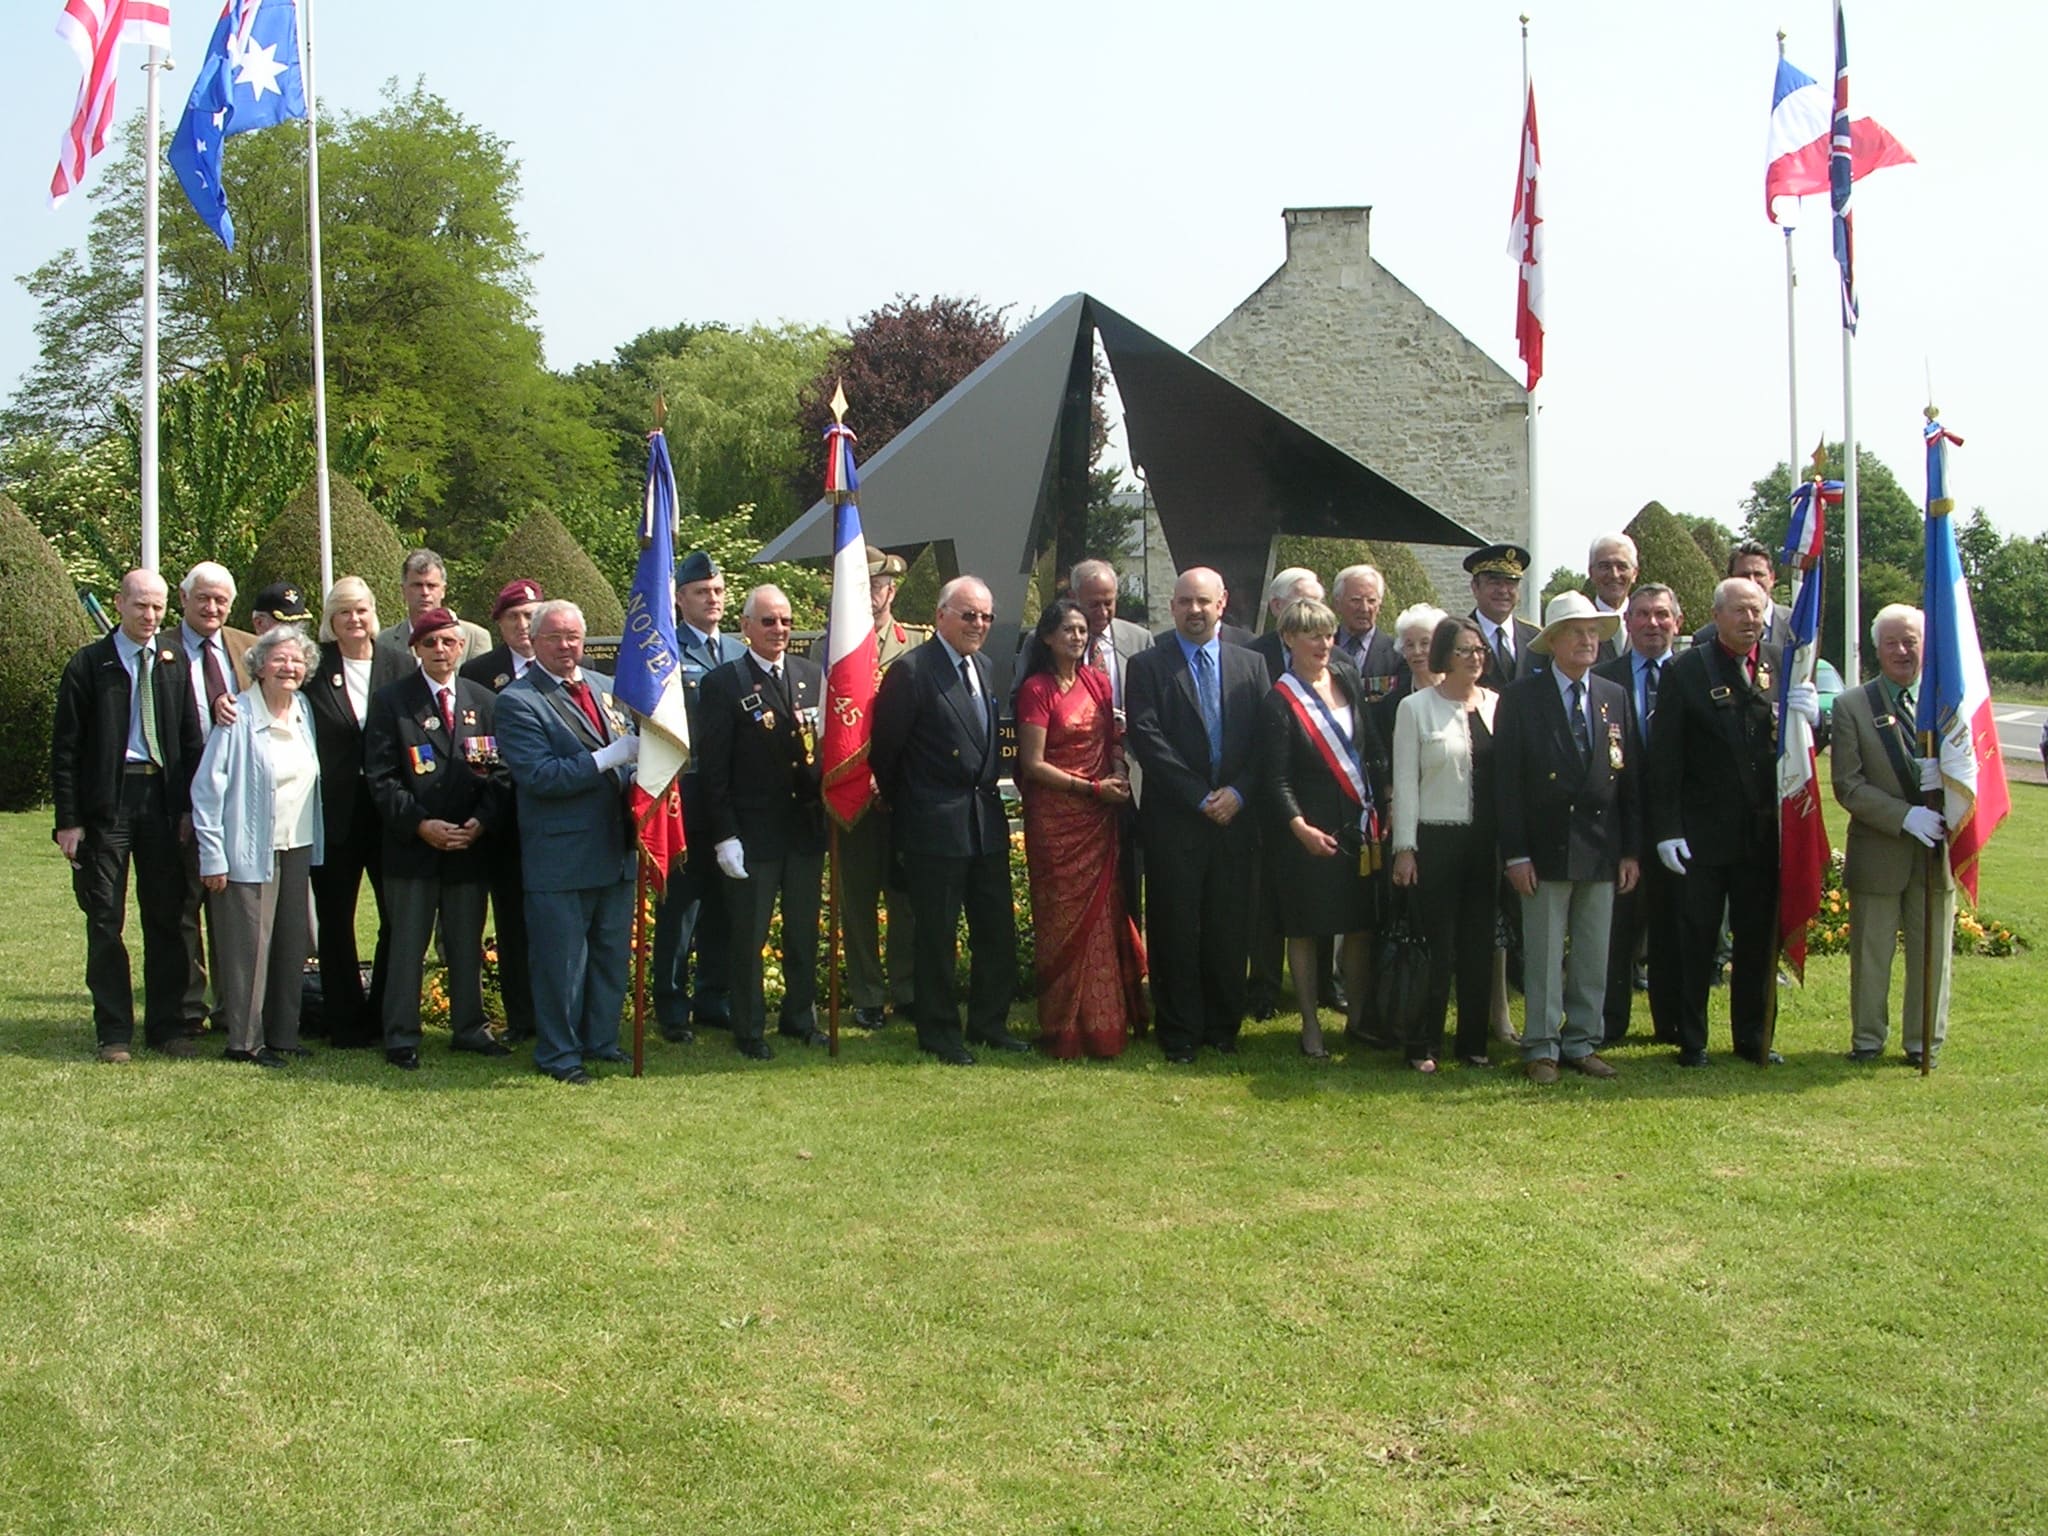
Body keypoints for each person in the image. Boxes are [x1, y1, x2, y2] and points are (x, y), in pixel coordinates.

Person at [1651, 577, 1819, 1067]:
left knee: (1757, 943)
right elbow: (1666, 760)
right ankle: (1693, 1040)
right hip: (1702, 835)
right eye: (1741, 611)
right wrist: (1667, 830)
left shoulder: (1777, 665)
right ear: (1716, 615)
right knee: (1697, 940)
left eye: (1758, 611)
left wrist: (1814, 722)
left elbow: (1794, 753)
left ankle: (1754, 1037)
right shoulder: (1687, 670)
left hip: (1762, 834)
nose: (1751, 620)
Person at [51, 569, 208, 1062]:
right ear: (119, 604)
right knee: (104, 917)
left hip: (160, 803)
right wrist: (69, 821)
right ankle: (114, 1031)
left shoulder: (173, 660)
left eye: (159, 607)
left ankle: (167, 1027)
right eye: (141, 605)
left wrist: (185, 807)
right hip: (107, 806)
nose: (150, 616)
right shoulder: (88, 666)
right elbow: (67, 750)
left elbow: (188, 740)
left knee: (167, 915)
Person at [870, 575, 1023, 1065]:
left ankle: (988, 1023)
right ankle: (939, 1032)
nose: (978, 624)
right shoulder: (913, 672)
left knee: (995, 929)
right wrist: (909, 807)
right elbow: (887, 754)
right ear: (941, 616)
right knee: (937, 936)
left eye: (985, 616)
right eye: (968, 614)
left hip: (984, 823)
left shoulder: (986, 665)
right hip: (933, 825)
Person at [1124, 567, 1269, 1062]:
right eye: (1185, 602)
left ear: (1222, 603)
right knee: (1175, 928)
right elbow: (1148, 740)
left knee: (1229, 927)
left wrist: (1239, 794)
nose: (1195, 611)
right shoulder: (1147, 666)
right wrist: (1199, 797)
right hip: (1176, 821)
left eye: (1204, 602)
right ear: (1172, 607)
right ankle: (1179, 1031)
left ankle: (1223, 1027)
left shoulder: (1252, 666)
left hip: (1236, 819)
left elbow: (1262, 745)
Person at [1494, 593, 1639, 1083]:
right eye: (1576, 631)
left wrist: (1630, 850)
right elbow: (1506, 784)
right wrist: (1515, 853)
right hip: (1544, 846)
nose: (1587, 640)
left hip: (1601, 846)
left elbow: (1628, 780)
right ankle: (1541, 1046)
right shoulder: (1521, 698)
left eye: (1594, 632)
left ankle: (1582, 1040)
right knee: (1544, 951)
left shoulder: (1612, 695)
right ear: (1552, 640)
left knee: (1594, 953)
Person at [496, 600, 639, 1085]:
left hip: (615, 847)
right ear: (533, 642)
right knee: (561, 963)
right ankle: (558, 1053)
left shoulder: (602, 689)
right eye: (554, 637)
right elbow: (539, 777)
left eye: (574, 636)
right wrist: (606, 759)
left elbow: (631, 751)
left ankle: (601, 1041)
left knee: (609, 955)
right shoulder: (518, 701)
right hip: (560, 856)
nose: (566, 646)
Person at [365, 607, 514, 1070]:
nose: (440, 650)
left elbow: (500, 773)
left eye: (449, 642)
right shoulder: (392, 701)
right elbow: (382, 778)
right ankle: (401, 1034)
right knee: (408, 944)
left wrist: (481, 823)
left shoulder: (482, 701)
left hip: (469, 846)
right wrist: (421, 825)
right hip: (414, 848)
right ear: (415, 648)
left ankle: (469, 1027)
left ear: (463, 646)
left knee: (465, 943)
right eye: (430, 643)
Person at [697, 584, 828, 1061]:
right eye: (769, 621)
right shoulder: (725, 683)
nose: (779, 630)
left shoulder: (811, 675)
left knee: (801, 932)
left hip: (804, 829)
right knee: (749, 936)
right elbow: (714, 769)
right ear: (746, 627)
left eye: (786, 622)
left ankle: (800, 1018)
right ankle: (749, 1027)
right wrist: (725, 834)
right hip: (753, 833)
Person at [1257, 596, 1389, 1059]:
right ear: (1289, 639)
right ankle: (1310, 1023)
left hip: (1356, 822)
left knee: (1357, 925)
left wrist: (1384, 804)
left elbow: (1370, 746)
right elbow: (1273, 777)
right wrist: (1300, 827)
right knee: (1307, 928)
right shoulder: (1279, 699)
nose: (1324, 643)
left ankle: (1356, 1019)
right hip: (1306, 830)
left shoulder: (1347, 677)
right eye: (1313, 634)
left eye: (1329, 634)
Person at [1015, 598, 1145, 1058]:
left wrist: (1115, 773)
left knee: (1103, 921)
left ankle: (1106, 1026)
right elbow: (1032, 765)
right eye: (1067, 629)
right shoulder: (1036, 689)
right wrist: (1091, 788)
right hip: (1057, 823)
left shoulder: (1099, 682)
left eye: (1082, 629)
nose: (1077, 636)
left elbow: (1114, 739)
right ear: (1047, 637)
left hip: (1099, 819)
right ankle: (1063, 1030)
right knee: (1063, 923)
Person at [189, 624, 324, 1067]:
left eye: (297, 660)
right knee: (249, 949)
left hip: (297, 843)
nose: (289, 667)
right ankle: (244, 1042)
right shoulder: (238, 715)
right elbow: (208, 790)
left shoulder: (303, 708)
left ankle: (284, 1035)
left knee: (292, 945)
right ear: (259, 666)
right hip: (248, 850)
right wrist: (213, 855)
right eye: (280, 659)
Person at [804, 547, 927, 1029]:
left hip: (900, 792)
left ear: (891, 590)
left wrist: (890, 776)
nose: (871, 595)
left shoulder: (915, 643)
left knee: (906, 898)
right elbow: (827, 726)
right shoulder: (826, 648)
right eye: (861, 587)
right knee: (855, 900)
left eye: (877, 586)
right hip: (852, 792)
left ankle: (907, 989)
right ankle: (867, 995)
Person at [1832, 604, 1954, 1067]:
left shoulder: (1948, 702)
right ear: (1876, 649)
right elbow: (1848, 784)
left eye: (1911, 641)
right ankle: (1867, 1039)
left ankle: (1924, 1041)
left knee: (1933, 953)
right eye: (1892, 642)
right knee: (1871, 952)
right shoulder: (1852, 705)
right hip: (1880, 847)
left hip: (1936, 851)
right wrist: (1905, 817)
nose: (1902, 650)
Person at [1391, 617, 1502, 1070]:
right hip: (1436, 838)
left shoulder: (1496, 704)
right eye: (1464, 650)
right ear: (1444, 656)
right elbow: (1406, 781)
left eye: (1480, 650)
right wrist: (1405, 847)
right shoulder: (1416, 708)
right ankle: (1423, 1044)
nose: (1475, 658)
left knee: (1479, 947)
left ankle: (1473, 1045)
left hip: (1485, 843)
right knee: (1436, 948)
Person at [306, 576, 409, 1048]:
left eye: (362, 610)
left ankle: (385, 1012)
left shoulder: (400, 665)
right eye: (344, 611)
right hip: (336, 814)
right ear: (331, 620)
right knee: (335, 919)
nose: (354, 619)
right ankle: (345, 1020)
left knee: (396, 917)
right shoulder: (313, 668)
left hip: (390, 814)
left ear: (374, 615)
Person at [1592, 583, 1683, 1045]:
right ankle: (1609, 1021)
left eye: (1662, 615)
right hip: (1615, 824)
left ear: (1677, 623)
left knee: (1672, 926)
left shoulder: (1692, 675)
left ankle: (1669, 1022)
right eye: (1643, 615)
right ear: (1627, 623)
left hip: (1678, 828)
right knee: (1615, 929)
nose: (1653, 623)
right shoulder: (1604, 678)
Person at [650, 550, 736, 1043]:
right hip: (685, 791)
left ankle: (713, 997)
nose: (713, 599)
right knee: (680, 908)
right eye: (702, 592)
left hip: (726, 794)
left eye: (719, 591)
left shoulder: (736, 651)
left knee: (723, 902)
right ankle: (671, 1004)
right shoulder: (668, 650)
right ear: (680, 599)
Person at [461, 578, 546, 1043]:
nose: (522, 624)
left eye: (530, 615)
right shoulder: (479, 673)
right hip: (504, 818)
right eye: (513, 616)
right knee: (511, 922)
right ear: (498, 623)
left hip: (556, 817)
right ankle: (521, 1017)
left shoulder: (568, 665)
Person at [174, 561, 255, 738]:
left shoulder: (252, 647)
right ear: (184, 597)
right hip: (181, 762)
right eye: (202, 598)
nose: (211, 608)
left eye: (220, 601)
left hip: (239, 759)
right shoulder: (159, 648)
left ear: (230, 605)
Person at [374, 548, 491, 667]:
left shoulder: (476, 638)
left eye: (431, 586)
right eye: (417, 585)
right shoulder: (384, 642)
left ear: (443, 590)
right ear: (403, 590)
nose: (425, 592)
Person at [1465, 543, 1541, 692]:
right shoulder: (1457, 637)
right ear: (1475, 587)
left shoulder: (1536, 639)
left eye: (1511, 583)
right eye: (1494, 582)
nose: (1503, 590)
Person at [1693, 540, 1793, 650]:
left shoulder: (1797, 625)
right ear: (1730, 579)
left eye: (1758, 574)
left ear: (1772, 578)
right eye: (1744, 575)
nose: (1752, 582)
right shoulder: (1705, 637)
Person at [1372, 603, 1448, 746]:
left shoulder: (1457, 691)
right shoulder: (1393, 703)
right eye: (1410, 645)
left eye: (1425, 643)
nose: (1417, 651)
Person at [1331, 564, 1402, 704]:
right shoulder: (1321, 647)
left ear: (1379, 605)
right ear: (1337, 603)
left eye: (1371, 601)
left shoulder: (1397, 653)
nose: (1364, 608)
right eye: (1355, 600)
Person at [1586, 533, 1638, 662]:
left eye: (1622, 567)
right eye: (1605, 567)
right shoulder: (1581, 622)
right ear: (1591, 573)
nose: (1614, 575)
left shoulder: (1646, 622)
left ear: (1634, 574)